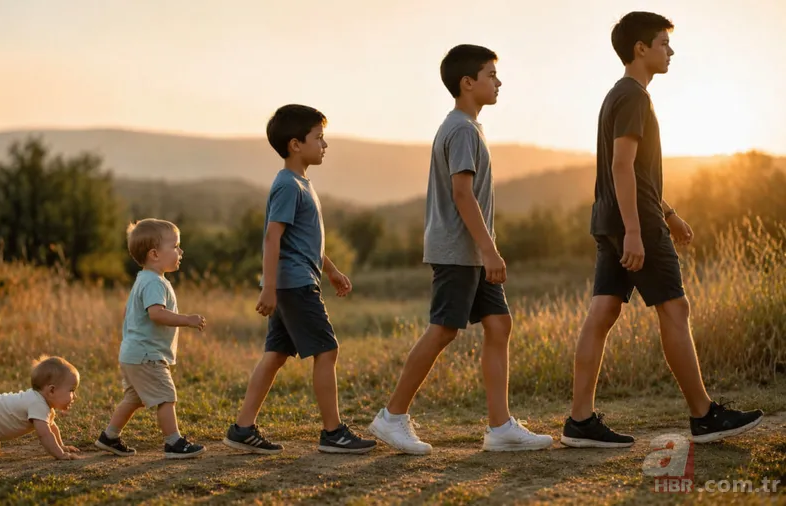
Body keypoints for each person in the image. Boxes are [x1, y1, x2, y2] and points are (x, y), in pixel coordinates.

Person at [561, 11, 763, 448]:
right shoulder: (634, 96)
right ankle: (704, 415)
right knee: (676, 310)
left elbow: (637, 174)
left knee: (602, 314)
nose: (670, 52)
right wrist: (638, 230)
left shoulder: (618, 94)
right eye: (664, 44)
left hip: (612, 220)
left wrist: (668, 212)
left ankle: (579, 421)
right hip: (634, 225)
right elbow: (622, 166)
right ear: (641, 49)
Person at [368, 45, 554, 454]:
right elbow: (462, 195)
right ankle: (391, 417)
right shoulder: (463, 129)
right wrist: (490, 250)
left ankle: (500, 426)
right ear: (467, 83)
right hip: (459, 249)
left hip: (470, 249)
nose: (498, 81)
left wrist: (486, 249)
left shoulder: (468, 126)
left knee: (499, 324)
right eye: (491, 75)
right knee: (444, 329)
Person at [223, 104, 377, 455]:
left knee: (276, 354)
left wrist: (332, 270)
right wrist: (269, 288)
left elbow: (304, 242)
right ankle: (333, 432)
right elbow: (272, 238)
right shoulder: (288, 186)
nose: (325, 145)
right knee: (328, 350)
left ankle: (242, 429)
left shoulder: (302, 184)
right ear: (296, 144)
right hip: (293, 285)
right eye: (319, 138)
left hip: (297, 280)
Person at [95, 218, 208, 459]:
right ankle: (173, 442)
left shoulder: (143, 279)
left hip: (133, 354)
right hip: (147, 355)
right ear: (155, 254)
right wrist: (187, 319)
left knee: (134, 398)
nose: (180, 251)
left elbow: (129, 313)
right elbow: (156, 314)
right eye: (175, 246)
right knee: (166, 396)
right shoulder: (155, 283)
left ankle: (110, 436)